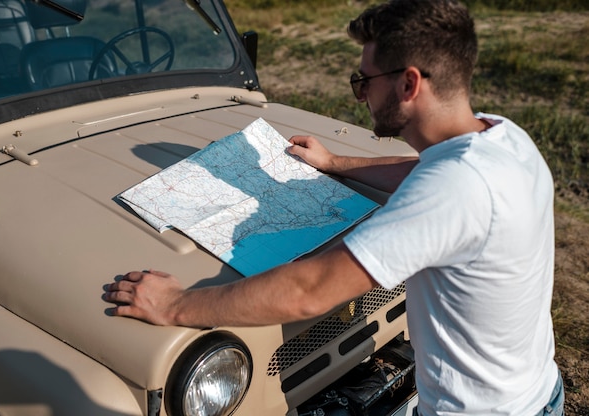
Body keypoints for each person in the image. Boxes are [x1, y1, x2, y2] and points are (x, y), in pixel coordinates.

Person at [104, 0, 564, 414]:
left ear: (408, 84)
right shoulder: (501, 137)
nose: (360, 94)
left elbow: (311, 290)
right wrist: (335, 163)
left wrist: (177, 304)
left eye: (364, 81)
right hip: (533, 390)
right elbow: (420, 172)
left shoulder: (453, 188)